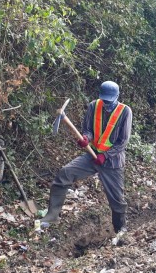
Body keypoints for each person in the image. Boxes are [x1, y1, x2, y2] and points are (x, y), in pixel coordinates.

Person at [40, 81, 133, 245]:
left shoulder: (125, 112)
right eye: (104, 100)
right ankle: (51, 216)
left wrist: (105, 156)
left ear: (117, 97)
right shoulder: (93, 106)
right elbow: (88, 129)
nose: (106, 104)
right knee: (65, 173)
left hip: (112, 162)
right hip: (92, 156)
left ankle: (121, 230)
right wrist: (86, 138)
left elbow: (122, 142)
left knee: (117, 200)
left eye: (110, 101)